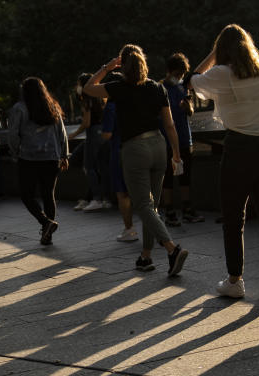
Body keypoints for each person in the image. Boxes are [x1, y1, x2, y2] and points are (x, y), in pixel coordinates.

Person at [188, 25, 259, 303]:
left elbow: (192, 79)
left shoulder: (222, 74)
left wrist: (212, 54)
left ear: (223, 51)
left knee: (234, 219)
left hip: (238, 150)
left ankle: (235, 281)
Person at [85, 46, 189, 276]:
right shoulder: (157, 87)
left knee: (142, 205)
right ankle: (146, 256)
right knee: (151, 206)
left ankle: (172, 249)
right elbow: (170, 125)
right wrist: (176, 153)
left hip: (134, 149)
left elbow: (88, 88)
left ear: (123, 67)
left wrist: (106, 67)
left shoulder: (118, 88)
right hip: (158, 145)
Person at [7, 77, 69, 245]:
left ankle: (45, 223)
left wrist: (16, 151)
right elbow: (62, 133)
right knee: (48, 195)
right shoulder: (53, 107)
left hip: (28, 158)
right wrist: (64, 155)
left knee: (27, 195)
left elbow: (12, 134)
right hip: (51, 157)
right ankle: (47, 234)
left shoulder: (19, 108)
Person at [161, 53, 204, 226]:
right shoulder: (161, 89)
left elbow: (190, 112)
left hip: (185, 138)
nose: (180, 77)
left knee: (186, 176)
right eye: (178, 74)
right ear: (170, 71)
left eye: (182, 74)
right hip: (168, 139)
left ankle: (187, 209)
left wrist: (187, 107)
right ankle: (169, 210)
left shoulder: (182, 87)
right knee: (168, 177)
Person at [100, 72, 139, 243]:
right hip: (137, 148)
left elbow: (107, 134)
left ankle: (129, 229)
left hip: (119, 151)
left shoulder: (111, 106)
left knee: (122, 193)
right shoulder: (132, 102)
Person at [71, 72, 110, 212]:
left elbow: (86, 123)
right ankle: (106, 199)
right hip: (103, 133)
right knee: (102, 166)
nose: (77, 87)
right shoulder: (100, 98)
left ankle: (96, 198)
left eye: (79, 84)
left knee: (89, 167)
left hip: (93, 133)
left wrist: (73, 134)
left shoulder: (87, 99)